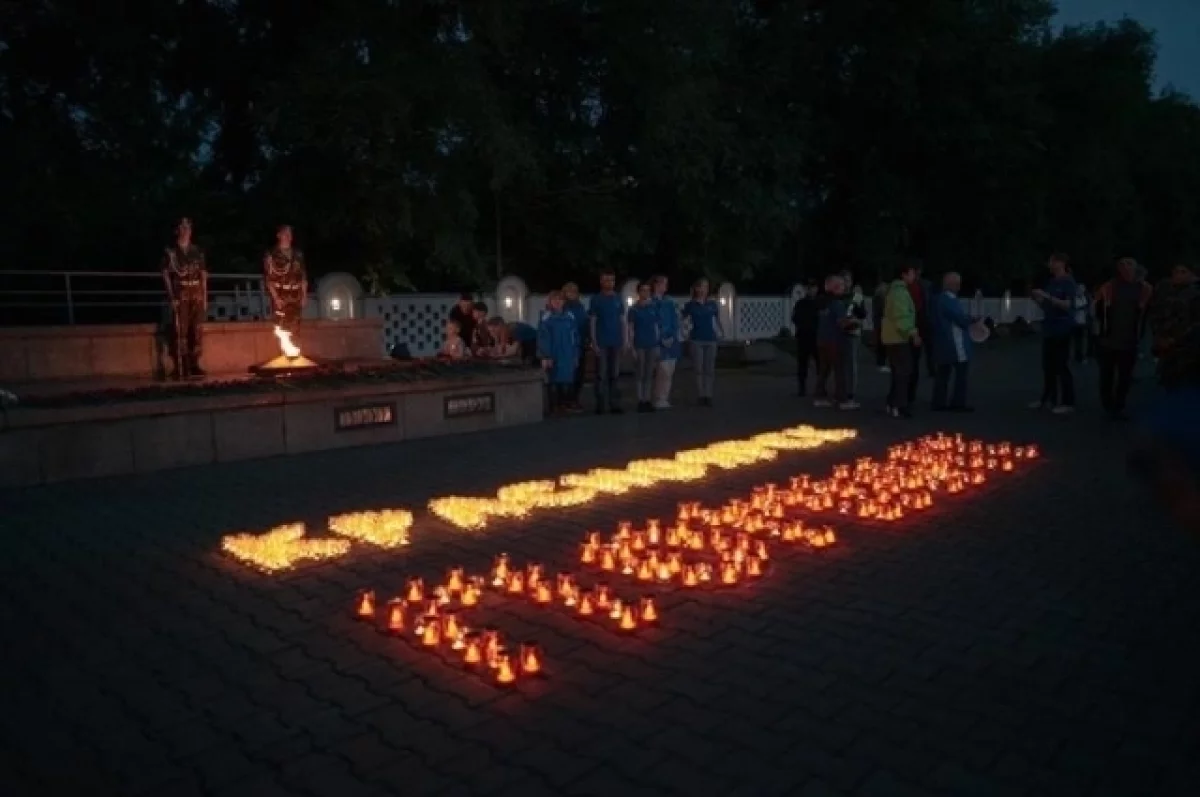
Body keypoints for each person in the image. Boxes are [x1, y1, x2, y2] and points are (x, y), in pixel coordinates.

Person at [1093, 257, 1153, 419]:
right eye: (1122, 266)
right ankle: (1108, 404)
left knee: (1125, 376)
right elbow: (1096, 307)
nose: (1126, 268)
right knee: (1107, 374)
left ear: (1135, 269)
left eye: (1129, 265)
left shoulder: (1144, 289)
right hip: (1108, 339)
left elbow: (1148, 311)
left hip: (1130, 339)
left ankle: (1119, 404)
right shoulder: (1110, 287)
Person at [1030, 253, 1078, 414]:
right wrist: (1039, 300)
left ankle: (1068, 401)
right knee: (1048, 366)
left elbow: (1068, 305)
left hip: (1062, 328)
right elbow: (1048, 306)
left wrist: (1047, 297)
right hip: (1049, 328)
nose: (1049, 265)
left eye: (1052, 262)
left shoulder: (1068, 282)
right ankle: (1049, 399)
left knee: (1061, 365)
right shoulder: (1052, 282)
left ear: (1061, 263)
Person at [161, 217, 208, 379]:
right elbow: (166, 275)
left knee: (197, 329)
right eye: (183, 227)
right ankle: (181, 364)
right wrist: (171, 296)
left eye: (188, 227)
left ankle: (195, 363)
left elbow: (203, 275)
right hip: (180, 292)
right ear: (177, 230)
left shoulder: (197, 251)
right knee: (180, 330)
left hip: (196, 292)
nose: (186, 230)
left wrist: (205, 296)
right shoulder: (171, 252)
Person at [880, 263, 923, 418]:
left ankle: (893, 403)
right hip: (898, 338)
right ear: (903, 275)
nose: (914, 276)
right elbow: (902, 317)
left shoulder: (896, 291)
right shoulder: (900, 293)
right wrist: (913, 333)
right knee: (903, 372)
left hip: (893, 337)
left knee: (899, 371)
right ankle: (898, 404)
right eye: (911, 273)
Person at [1149, 264, 1200, 391]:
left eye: (1183, 272)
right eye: (1176, 272)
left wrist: (1175, 339)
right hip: (1166, 348)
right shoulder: (1164, 292)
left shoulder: (1195, 296)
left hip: (1187, 349)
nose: (1179, 275)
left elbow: (1195, 323)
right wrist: (1158, 336)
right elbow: (1155, 314)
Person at [930, 272, 975, 412]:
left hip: (943, 341)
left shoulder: (938, 299)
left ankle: (939, 402)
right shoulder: (948, 300)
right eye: (957, 283)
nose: (959, 286)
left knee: (943, 373)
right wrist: (971, 320)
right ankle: (957, 402)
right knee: (960, 373)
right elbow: (959, 319)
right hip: (954, 342)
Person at [813, 275, 858, 409]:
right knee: (840, 370)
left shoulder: (821, 303)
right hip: (835, 340)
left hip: (822, 340)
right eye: (841, 285)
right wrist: (854, 323)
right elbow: (842, 323)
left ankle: (819, 397)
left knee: (824, 370)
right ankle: (842, 399)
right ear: (835, 287)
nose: (844, 288)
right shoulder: (837, 304)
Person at [588, 269, 625, 414]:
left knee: (615, 374)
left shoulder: (618, 299)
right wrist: (594, 341)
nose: (609, 282)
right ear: (601, 281)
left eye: (612, 280)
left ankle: (615, 404)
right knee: (601, 374)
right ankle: (601, 404)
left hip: (615, 341)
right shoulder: (596, 299)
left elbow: (622, 320)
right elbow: (593, 321)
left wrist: (625, 339)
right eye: (606, 280)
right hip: (602, 341)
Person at [538, 290, 580, 416]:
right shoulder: (546, 318)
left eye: (560, 299)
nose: (557, 302)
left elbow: (575, 337)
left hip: (567, 354)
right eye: (554, 300)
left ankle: (564, 404)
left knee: (566, 381)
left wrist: (575, 354)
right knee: (553, 381)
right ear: (550, 302)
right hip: (554, 354)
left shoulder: (570, 317)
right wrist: (546, 356)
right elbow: (543, 338)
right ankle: (553, 406)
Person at [682, 279, 724, 406]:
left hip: (710, 339)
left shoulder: (712, 304)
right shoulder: (691, 305)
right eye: (701, 287)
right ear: (696, 289)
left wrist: (721, 332)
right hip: (696, 339)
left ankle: (708, 394)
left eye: (705, 287)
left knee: (709, 369)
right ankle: (701, 394)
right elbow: (683, 321)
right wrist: (685, 333)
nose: (703, 290)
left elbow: (717, 320)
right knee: (699, 368)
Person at [263, 224, 307, 334]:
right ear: (279, 235)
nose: (288, 236)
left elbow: (303, 277)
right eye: (285, 233)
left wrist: (304, 295)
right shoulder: (272, 255)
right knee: (281, 328)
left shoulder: (298, 254)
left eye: (290, 234)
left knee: (296, 328)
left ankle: (295, 350)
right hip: (281, 295)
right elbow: (269, 279)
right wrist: (276, 298)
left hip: (296, 295)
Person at [627, 282, 661, 412]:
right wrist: (631, 345)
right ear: (639, 292)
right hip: (639, 343)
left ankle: (647, 398)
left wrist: (657, 343)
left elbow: (656, 326)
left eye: (648, 291)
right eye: (643, 290)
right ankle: (640, 399)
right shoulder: (634, 309)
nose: (645, 293)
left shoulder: (653, 307)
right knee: (640, 372)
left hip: (651, 343)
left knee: (649, 373)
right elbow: (630, 328)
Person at [651, 276, 679, 409]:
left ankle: (664, 397)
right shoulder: (652, 302)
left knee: (669, 370)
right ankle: (657, 397)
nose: (665, 287)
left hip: (671, 340)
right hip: (659, 341)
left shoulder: (669, 303)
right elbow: (654, 322)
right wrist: (661, 338)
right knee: (662, 370)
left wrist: (673, 336)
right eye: (663, 284)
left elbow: (674, 320)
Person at [563, 282, 589, 409]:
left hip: (581, 345)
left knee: (580, 374)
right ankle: (567, 400)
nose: (571, 294)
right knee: (569, 374)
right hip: (568, 346)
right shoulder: (563, 308)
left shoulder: (580, 307)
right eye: (569, 291)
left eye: (574, 291)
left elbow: (585, 323)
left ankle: (575, 399)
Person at [790, 283, 819, 396]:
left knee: (819, 363)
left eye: (814, 288)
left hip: (815, 336)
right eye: (810, 288)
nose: (812, 290)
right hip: (803, 336)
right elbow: (794, 318)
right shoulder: (801, 303)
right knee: (802, 363)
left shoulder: (819, 303)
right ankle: (802, 387)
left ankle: (820, 386)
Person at [842, 273, 867, 401]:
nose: (845, 283)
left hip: (852, 332)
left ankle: (851, 392)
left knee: (851, 363)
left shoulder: (856, 297)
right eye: (843, 280)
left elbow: (863, 313)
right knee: (842, 363)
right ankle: (841, 390)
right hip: (840, 333)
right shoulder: (839, 296)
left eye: (847, 280)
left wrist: (854, 315)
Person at [1071, 283, 1091, 364]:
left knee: (1082, 341)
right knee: (1077, 341)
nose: (1081, 291)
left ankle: (1082, 356)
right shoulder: (1074, 298)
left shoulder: (1084, 298)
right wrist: (1084, 307)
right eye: (1080, 289)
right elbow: (1075, 307)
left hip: (1083, 321)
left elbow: (1087, 308)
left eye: (1083, 290)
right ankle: (1077, 356)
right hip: (1076, 322)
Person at [872, 281, 890, 371]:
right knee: (881, 344)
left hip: (878, 322)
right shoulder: (880, 298)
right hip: (881, 323)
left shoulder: (877, 298)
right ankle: (881, 363)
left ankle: (881, 362)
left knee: (881, 343)